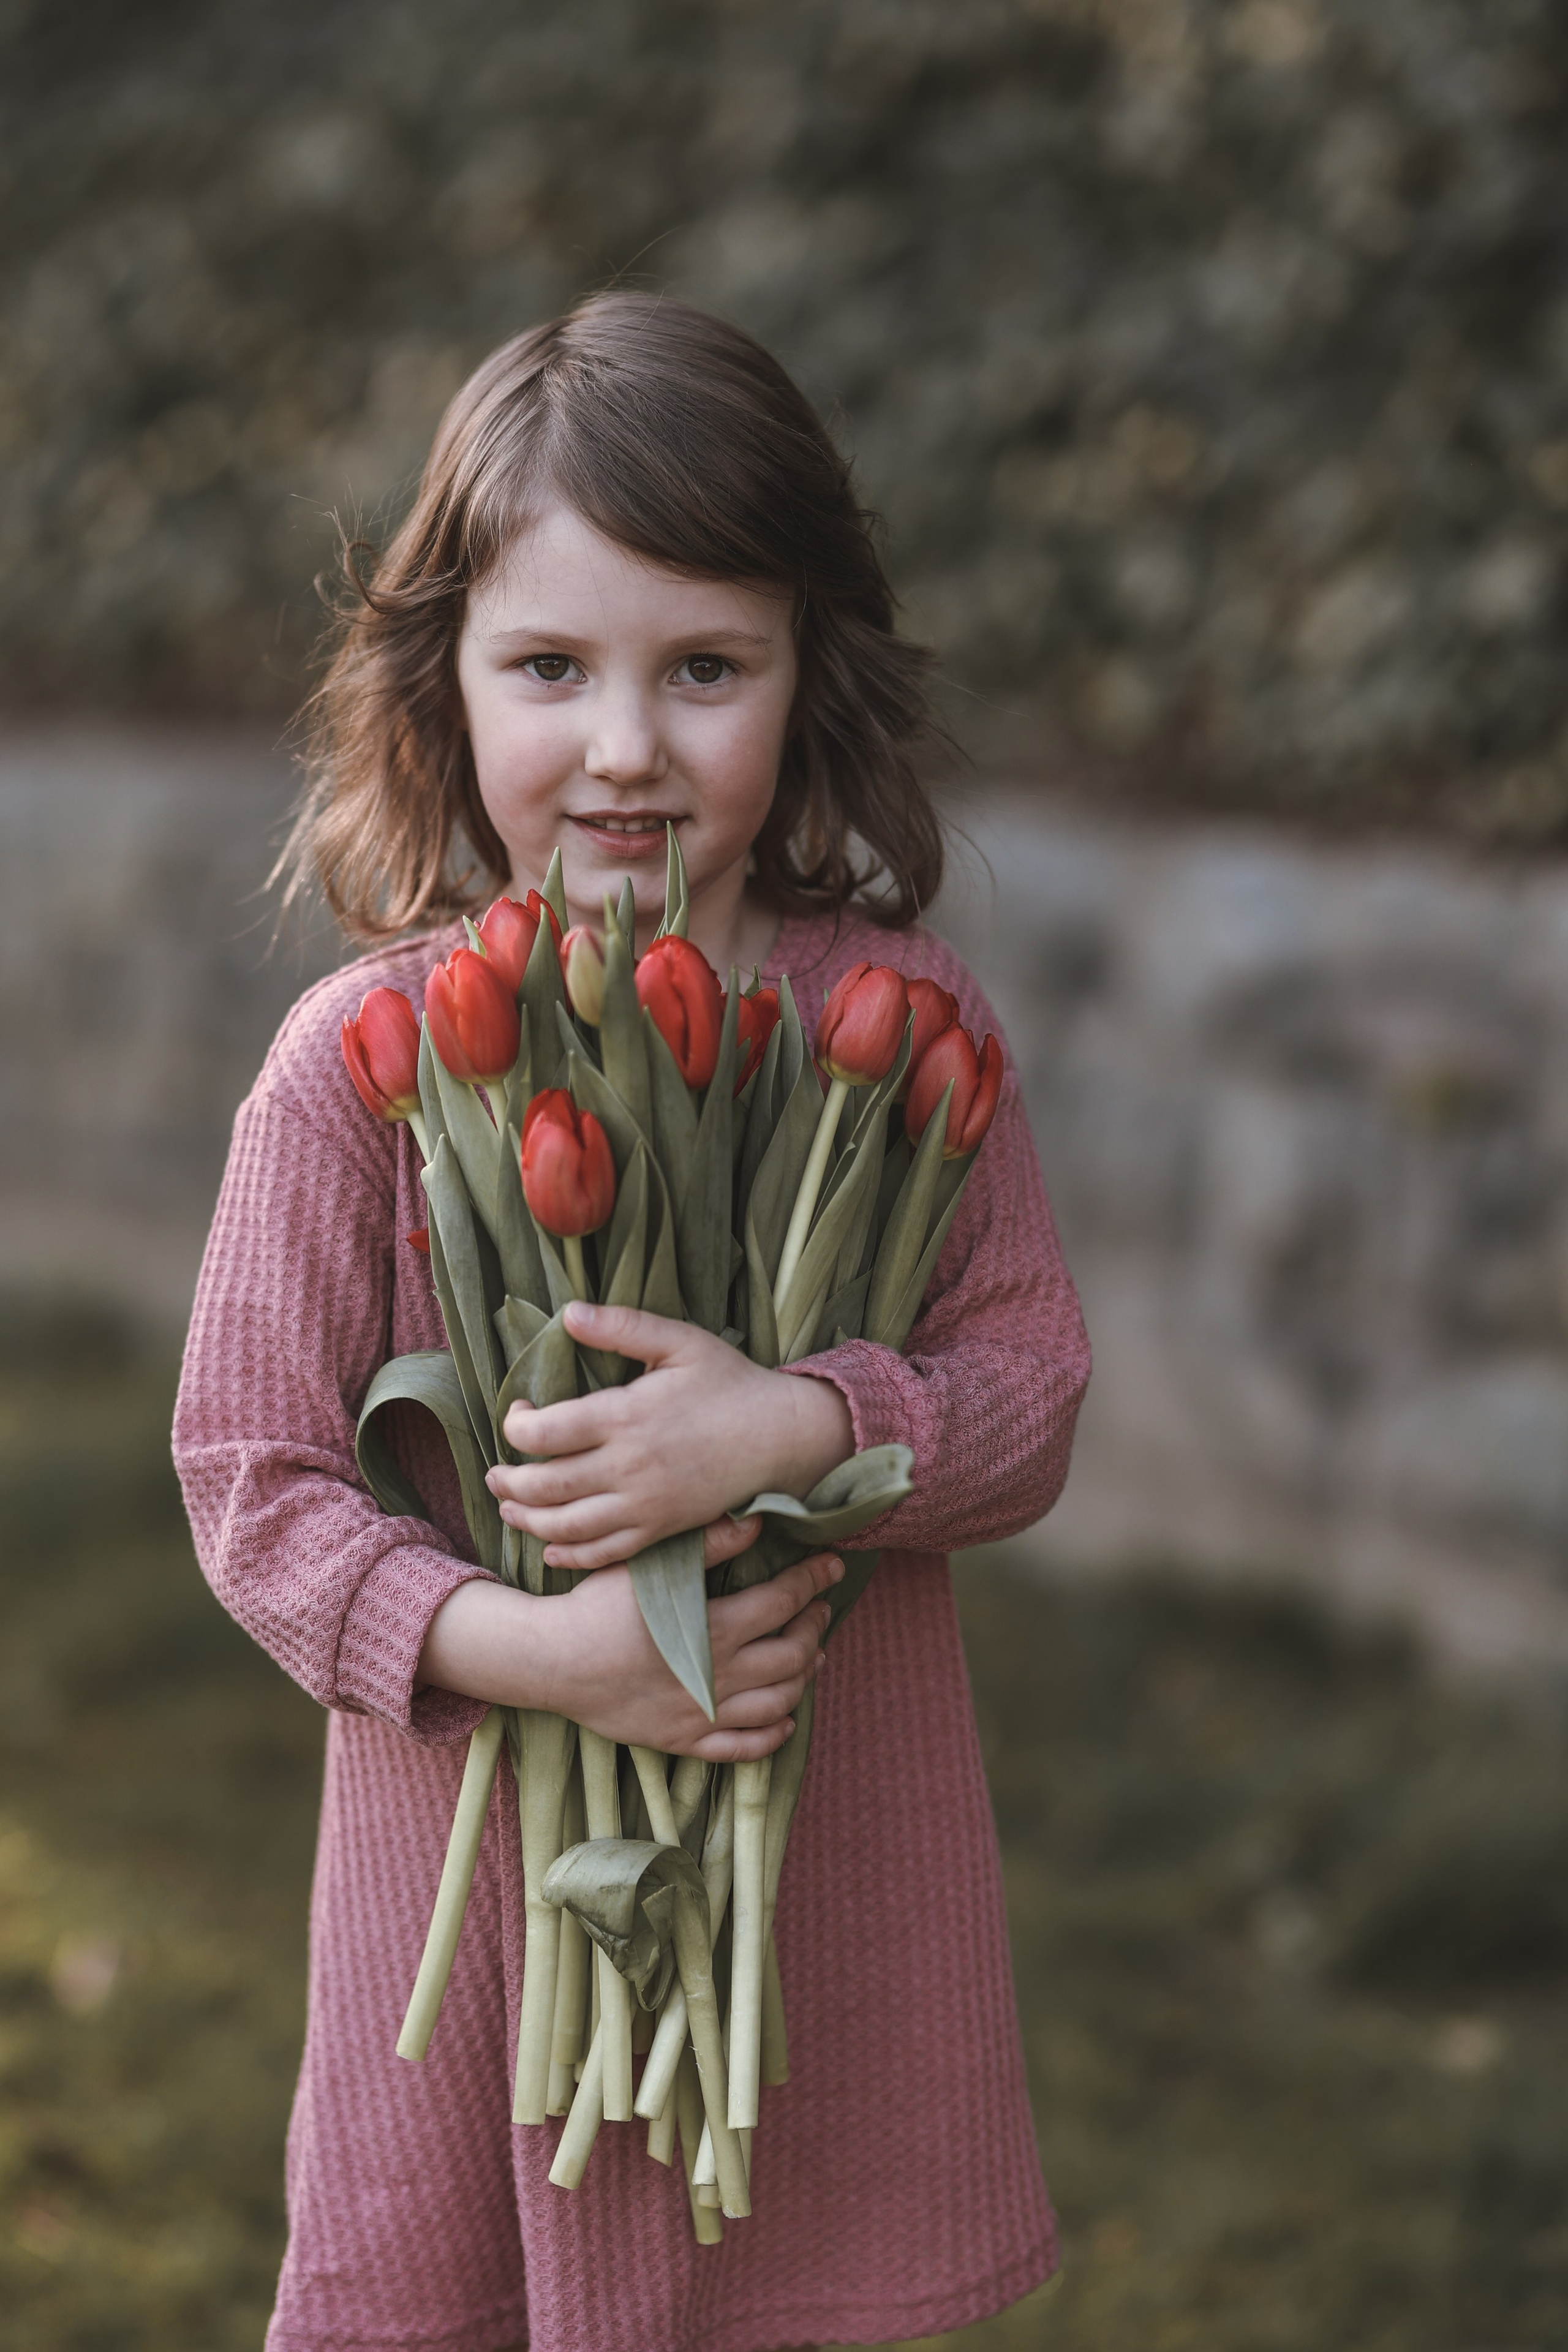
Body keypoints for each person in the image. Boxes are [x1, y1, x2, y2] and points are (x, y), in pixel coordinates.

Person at [173, 293, 1091, 2352]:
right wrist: (548, 1658)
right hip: (481, 1919)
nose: (623, 746)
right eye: (551, 668)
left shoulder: (901, 1034)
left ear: (807, 675)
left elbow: (1028, 1394)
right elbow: (249, 1484)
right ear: (447, 688)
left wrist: (796, 1426)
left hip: (820, 1904)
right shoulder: (367, 1068)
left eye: (705, 670)